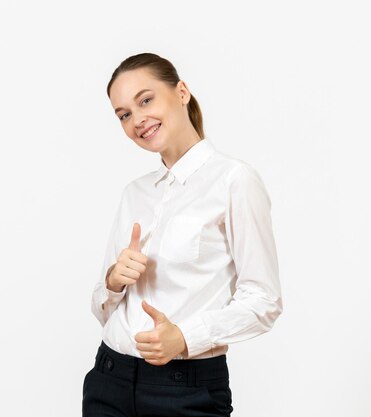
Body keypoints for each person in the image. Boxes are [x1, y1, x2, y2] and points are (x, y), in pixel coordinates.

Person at [82, 52, 283, 417]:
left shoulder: (234, 181)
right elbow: (102, 309)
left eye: (146, 100)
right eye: (124, 114)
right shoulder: (135, 193)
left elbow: (264, 301)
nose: (137, 120)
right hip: (108, 380)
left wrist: (186, 338)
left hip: (184, 391)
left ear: (182, 92)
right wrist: (113, 281)